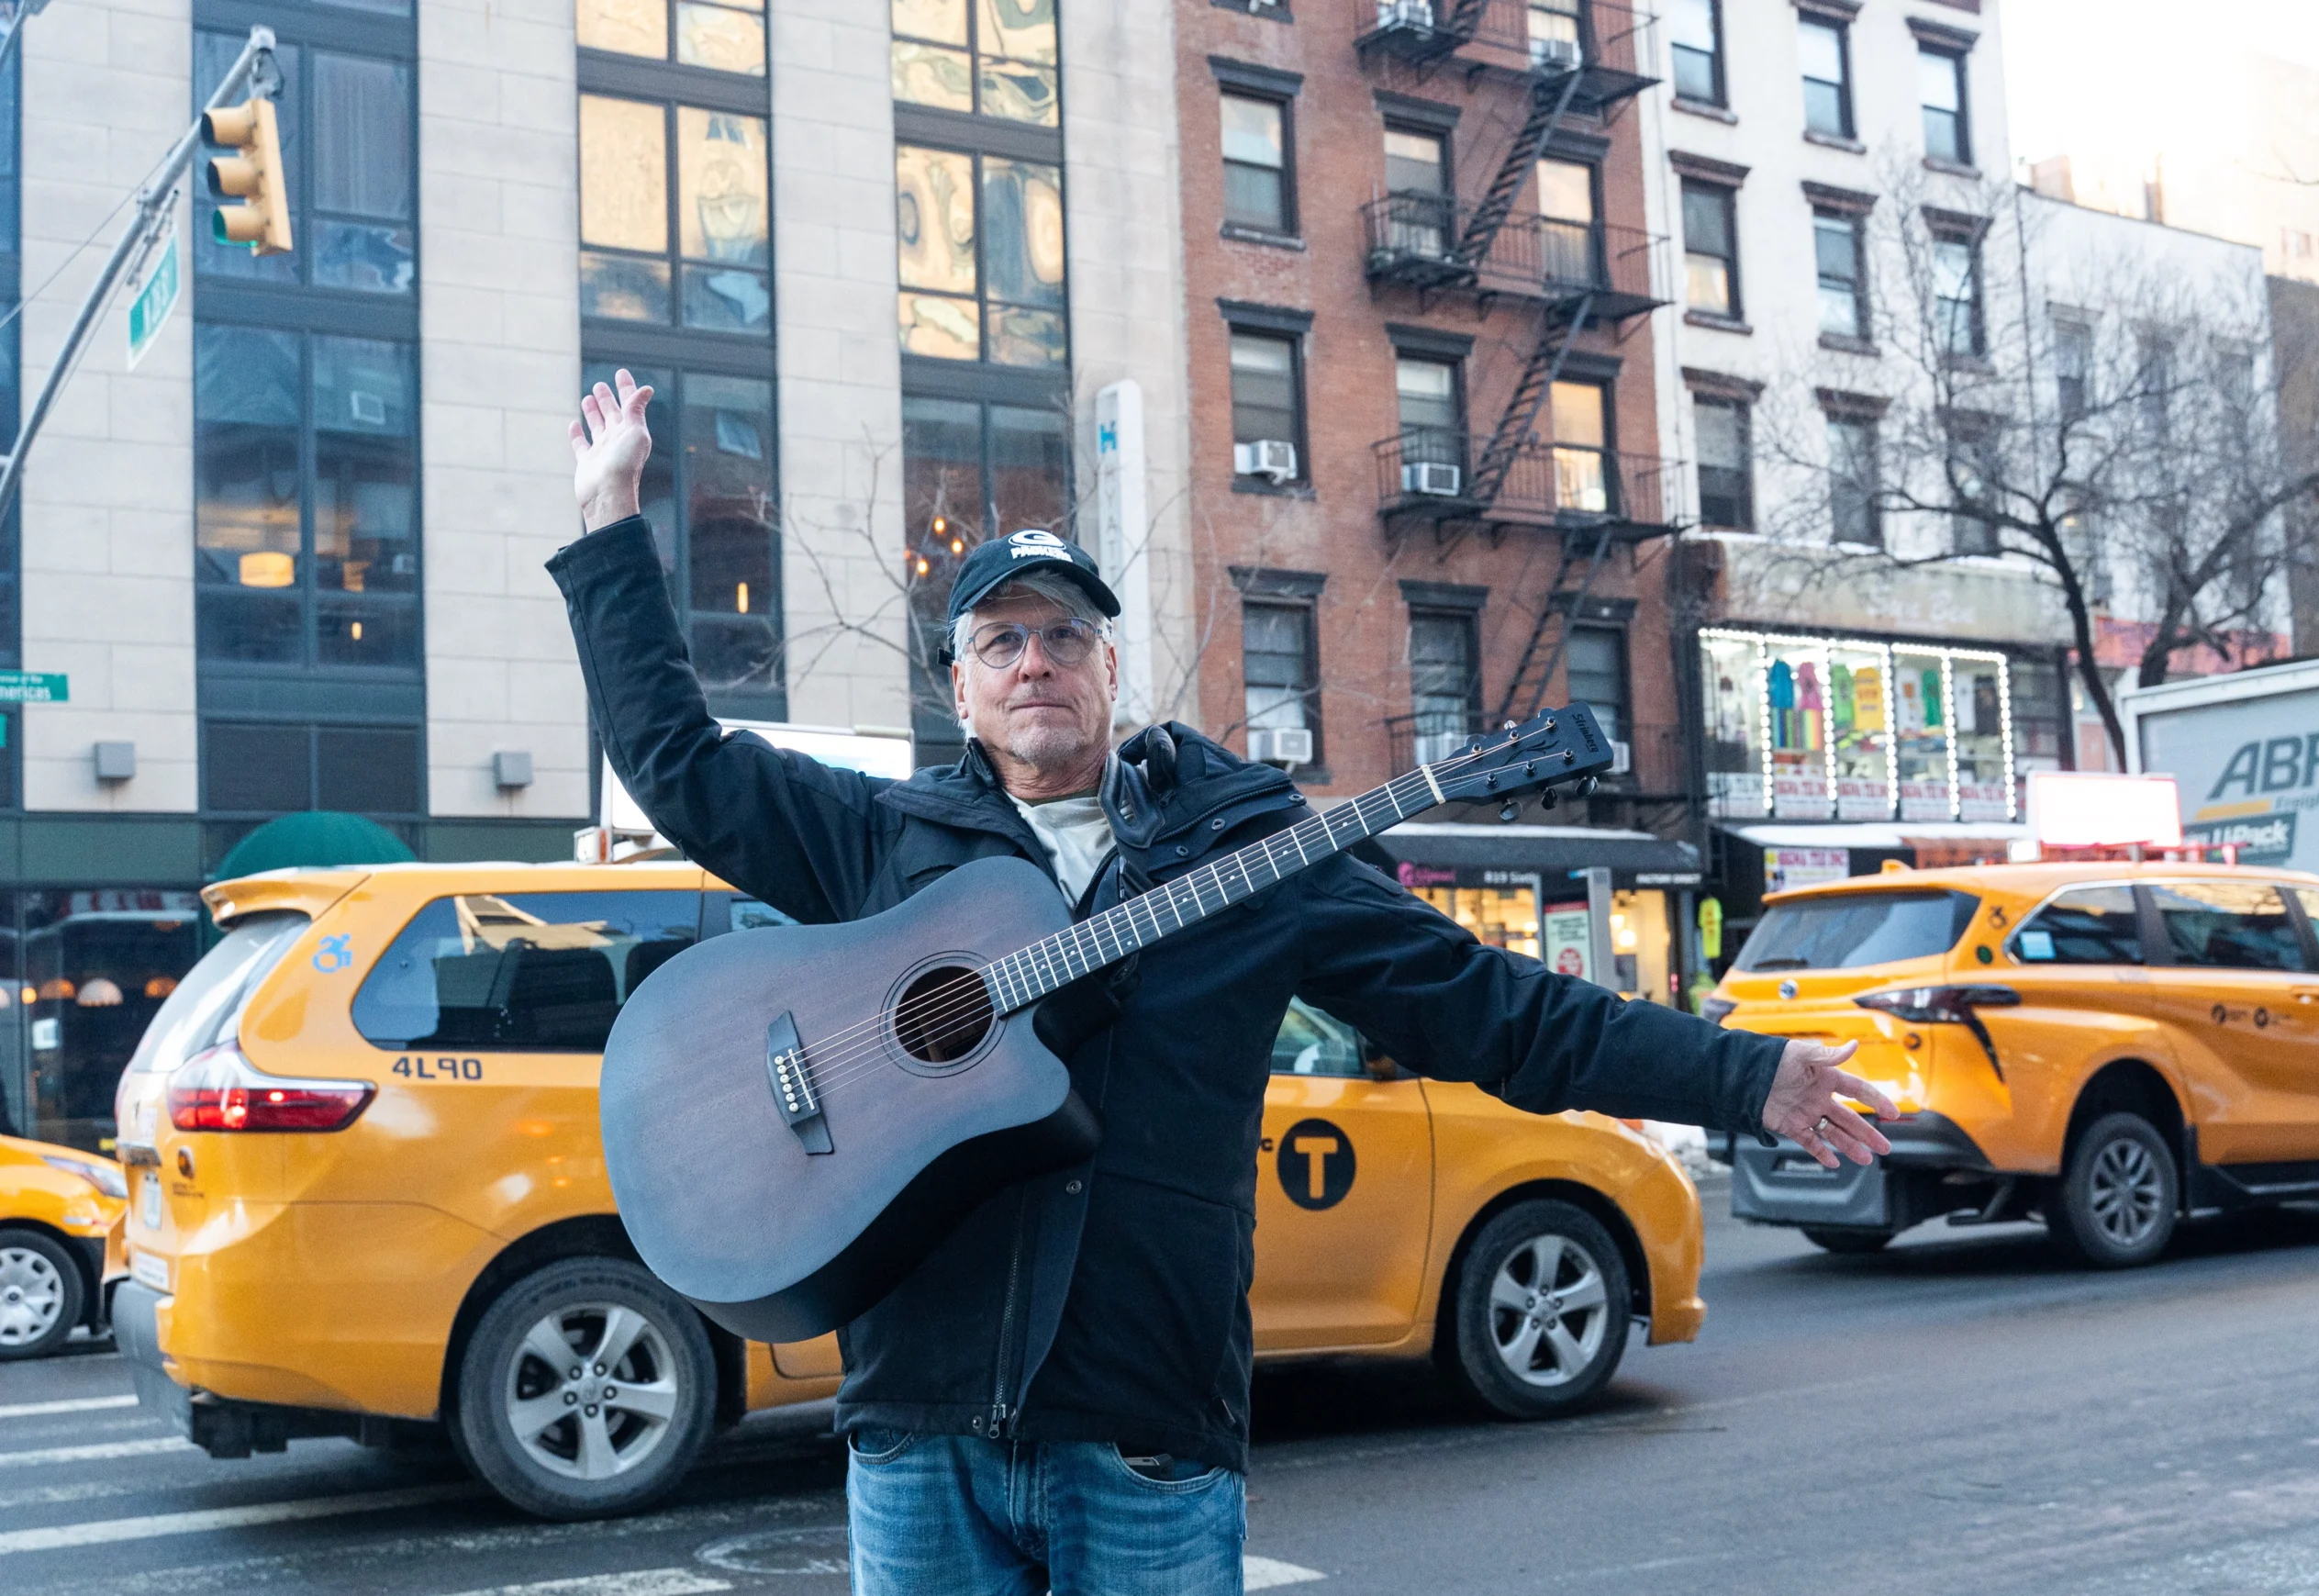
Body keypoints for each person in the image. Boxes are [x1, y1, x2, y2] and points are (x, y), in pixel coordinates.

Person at [551, 371, 1895, 1596]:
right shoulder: (884, 839)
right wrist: (613, 516)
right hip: (920, 1432)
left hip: (1146, 1436)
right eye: (1001, 641)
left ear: (1111, 671)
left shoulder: (1253, 858)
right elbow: (675, 758)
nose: (1036, 662)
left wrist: (1745, 1073)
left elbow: (1501, 1012)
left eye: (1065, 637)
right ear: (960, 690)